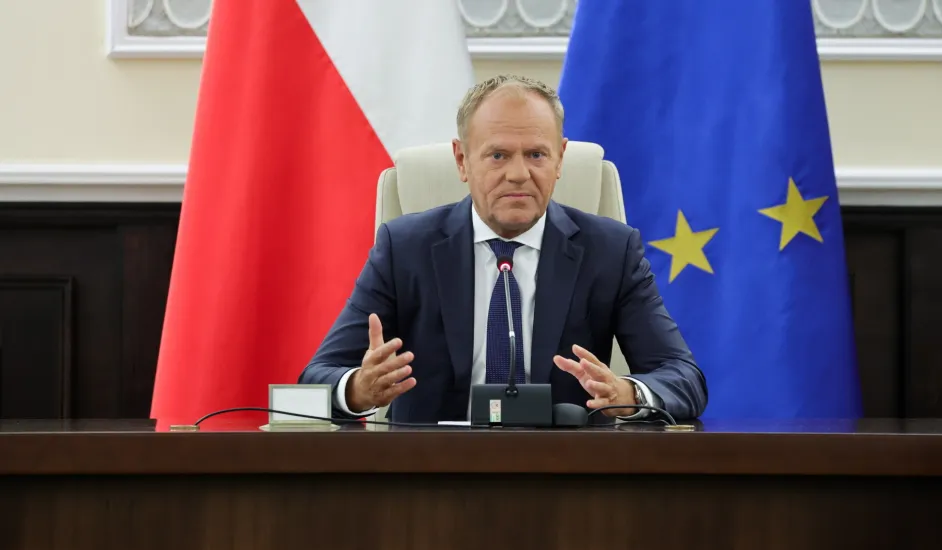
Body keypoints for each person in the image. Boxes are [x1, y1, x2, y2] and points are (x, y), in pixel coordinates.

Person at [299, 74, 707, 424]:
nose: (518, 174)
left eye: (536, 155)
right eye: (498, 155)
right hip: (431, 480)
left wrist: (629, 395)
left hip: (567, 479)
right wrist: (356, 389)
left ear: (560, 159)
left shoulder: (611, 251)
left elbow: (684, 378)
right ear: (462, 161)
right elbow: (315, 378)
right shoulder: (405, 248)